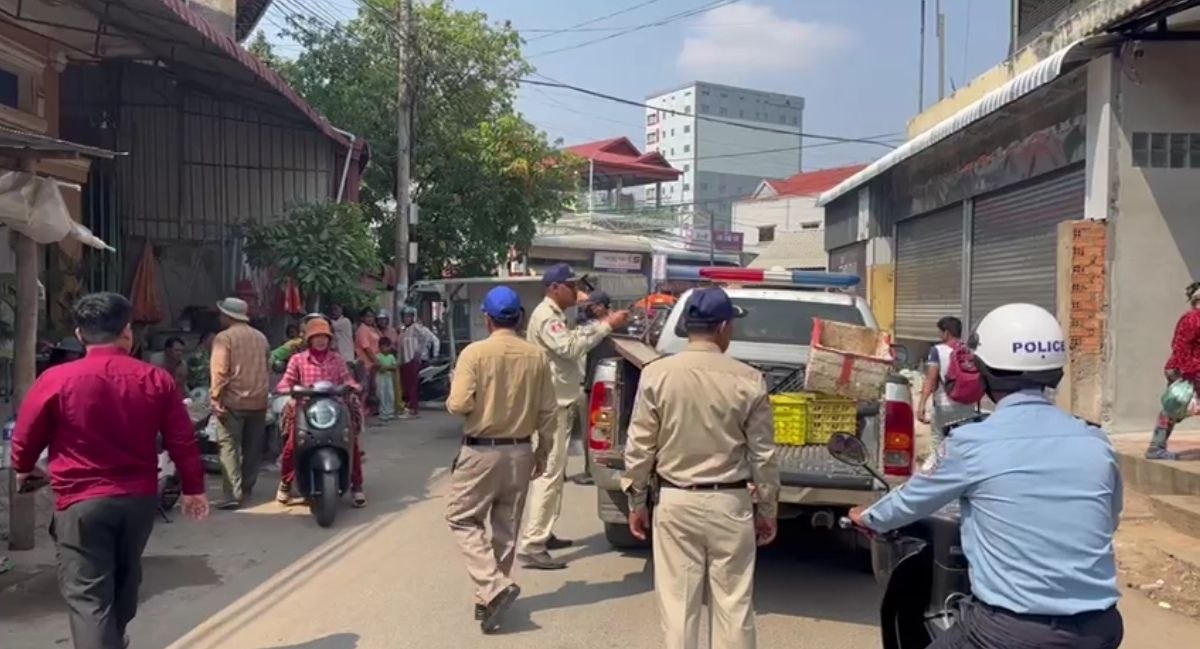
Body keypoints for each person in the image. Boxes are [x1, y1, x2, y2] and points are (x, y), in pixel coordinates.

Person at [850, 303, 1124, 649]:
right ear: (1055, 372)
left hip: (1007, 631)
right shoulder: (1096, 442)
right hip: (1101, 629)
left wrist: (869, 517)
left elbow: (912, 500)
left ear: (981, 371)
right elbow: (1107, 519)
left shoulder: (972, 442)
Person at [11, 292, 208, 649]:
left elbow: (25, 436)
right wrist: (194, 489)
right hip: (139, 500)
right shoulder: (155, 379)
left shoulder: (56, 379)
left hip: (80, 500)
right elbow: (182, 440)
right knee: (124, 577)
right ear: (127, 333)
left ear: (80, 334)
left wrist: (23, 470)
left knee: (88, 595)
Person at [622, 287, 778, 649]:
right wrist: (768, 508)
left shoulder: (657, 375)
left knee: (678, 609)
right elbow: (763, 455)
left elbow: (640, 447)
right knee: (734, 606)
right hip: (731, 504)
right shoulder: (749, 379)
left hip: (675, 503)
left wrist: (636, 502)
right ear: (723, 327)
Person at [445, 286, 557, 634]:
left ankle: (493, 587)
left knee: (462, 519)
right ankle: (488, 600)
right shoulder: (536, 356)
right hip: (521, 451)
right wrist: (542, 451)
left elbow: (459, 404)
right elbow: (548, 411)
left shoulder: (474, 354)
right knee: (506, 529)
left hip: (481, 450)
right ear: (520, 318)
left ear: (486, 318)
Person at [518, 263, 629, 570]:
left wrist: (602, 324)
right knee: (548, 473)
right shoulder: (545, 317)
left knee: (554, 474)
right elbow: (569, 348)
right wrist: (606, 325)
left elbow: (573, 338)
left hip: (558, 401)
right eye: (570, 286)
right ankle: (532, 543)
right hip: (551, 405)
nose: (576, 292)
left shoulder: (556, 316)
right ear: (555, 288)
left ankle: (543, 532)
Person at [276, 317, 367, 507]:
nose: (320, 340)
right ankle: (285, 482)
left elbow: (346, 379)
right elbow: (285, 382)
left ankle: (357, 486)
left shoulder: (337, 359)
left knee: (352, 444)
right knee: (291, 447)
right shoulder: (297, 360)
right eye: (316, 337)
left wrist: (354, 386)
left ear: (329, 339)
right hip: (306, 408)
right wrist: (289, 389)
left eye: (324, 337)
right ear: (309, 339)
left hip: (334, 408)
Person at [210, 297, 270, 510]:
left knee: (229, 447)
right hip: (259, 401)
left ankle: (232, 494)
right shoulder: (261, 337)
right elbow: (267, 367)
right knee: (253, 448)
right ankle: (247, 488)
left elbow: (219, 371)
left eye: (221, 314)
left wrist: (215, 398)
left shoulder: (224, 338)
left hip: (232, 401)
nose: (219, 317)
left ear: (228, 316)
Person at [916, 316, 978, 467]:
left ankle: (930, 476)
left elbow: (931, 380)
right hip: (967, 406)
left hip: (944, 405)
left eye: (940, 332)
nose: (939, 335)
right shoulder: (970, 350)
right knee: (961, 446)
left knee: (938, 445)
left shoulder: (937, 350)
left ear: (947, 333)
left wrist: (922, 404)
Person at [1148, 281, 1200, 460]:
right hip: (1188, 371)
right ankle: (1156, 447)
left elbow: (1177, 345)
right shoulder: (1195, 319)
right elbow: (1185, 348)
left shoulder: (1187, 318)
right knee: (1174, 407)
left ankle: (1156, 446)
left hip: (1180, 369)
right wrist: (1191, 372)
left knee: (1172, 407)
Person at [398, 306, 439, 417]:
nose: (406, 319)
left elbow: (426, 338)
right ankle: (408, 407)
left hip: (412, 359)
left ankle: (412, 409)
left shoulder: (415, 327)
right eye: (405, 316)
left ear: (413, 317)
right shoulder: (404, 329)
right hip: (405, 360)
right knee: (406, 384)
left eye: (409, 316)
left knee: (412, 385)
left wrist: (419, 352)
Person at [355, 308, 382, 410]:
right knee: (364, 389)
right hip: (365, 363)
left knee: (372, 388)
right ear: (362, 318)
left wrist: (376, 327)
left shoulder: (372, 329)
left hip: (373, 363)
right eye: (367, 316)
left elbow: (381, 339)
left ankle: (369, 410)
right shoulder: (362, 329)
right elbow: (366, 347)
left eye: (371, 316)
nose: (370, 318)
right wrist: (375, 360)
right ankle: (360, 410)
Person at [375, 336, 399, 422]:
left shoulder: (391, 357)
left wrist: (386, 367)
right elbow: (379, 368)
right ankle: (383, 413)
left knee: (390, 395)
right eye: (383, 347)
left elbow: (395, 367)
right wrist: (387, 368)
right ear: (380, 347)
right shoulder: (378, 356)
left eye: (387, 346)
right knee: (382, 395)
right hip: (381, 379)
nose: (385, 349)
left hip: (389, 378)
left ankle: (390, 412)